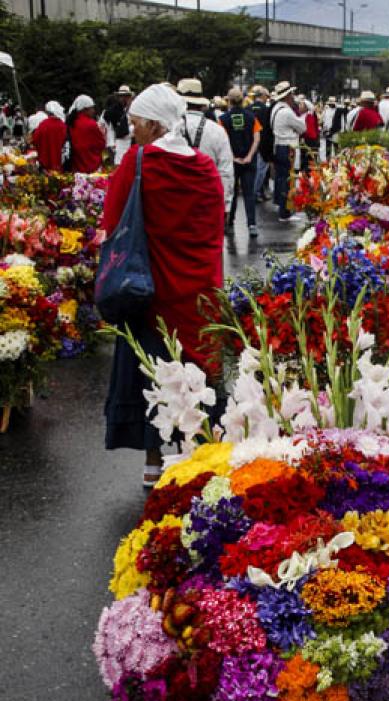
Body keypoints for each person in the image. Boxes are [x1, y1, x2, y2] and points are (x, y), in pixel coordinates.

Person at [102, 84, 225, 487]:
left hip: (149, 291)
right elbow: (214, 226)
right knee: (196, 373)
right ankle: (197, 453)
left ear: (154, 125)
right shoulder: (204, 168)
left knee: (149, 372)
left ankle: (153, 465)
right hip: (197, 292)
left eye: (136, 122)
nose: (132, 129)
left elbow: (112, 220)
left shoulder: (139, 163)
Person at [177, 78, 234, 215]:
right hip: (207, 200)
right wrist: (225, 205)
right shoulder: (217, 130)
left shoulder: (170, 127)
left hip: (176, 200)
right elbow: (226, 171)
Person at [220, 86, 261, 237]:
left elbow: (223, 140)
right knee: (249, 193)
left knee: (232, 193)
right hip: (249, 161)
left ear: (228, 101)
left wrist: (232, 157)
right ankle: (251, 225)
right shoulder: (251, 117)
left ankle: (230, 223)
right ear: (243, 100)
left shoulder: (223, 120)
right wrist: (250, 155)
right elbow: (257, 138)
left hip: (233, 162)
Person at [270, 81, 306, 222]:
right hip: (287, 147)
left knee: (281, 178)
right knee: (288, 179)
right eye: (291, 94)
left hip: (279, 146)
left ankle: (282, 207)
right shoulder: (286, 112)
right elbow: (302, 127)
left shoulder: (276, 108)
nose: (293, 97)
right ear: (287, 96)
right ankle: (285, 211)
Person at [67, 95, 106, 173]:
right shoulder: (91, 124)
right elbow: (101, 144)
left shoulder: (71, 122)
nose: (93, 111)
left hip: (76, 164)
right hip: (91, 163)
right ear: (85, 109)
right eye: (92, 108)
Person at [249, 85, 273, 201]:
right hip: (262, 144)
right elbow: (268, 130)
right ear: (263, 96)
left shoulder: (248, 108)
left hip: (249, 144)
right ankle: (256, 192)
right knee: (261, 170)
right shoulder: (266, 109)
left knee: (252, 170)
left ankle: (254, 191)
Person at [102, 85, 134, 165]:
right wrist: (111, 144)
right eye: (122, 96)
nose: (124, 98)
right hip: (118, 144)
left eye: (126, 96)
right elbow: (109, 129)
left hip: (131, 144)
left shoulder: (132, 109)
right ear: (118, 97)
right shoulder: (112, 111)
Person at [32, 101, 66, 172]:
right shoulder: (63, 125)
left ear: (47, 112)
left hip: (45, 164)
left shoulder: (43, 124)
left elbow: (35, 140)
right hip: (60, 163)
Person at [297, 95, 320, 171]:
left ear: (306, 107)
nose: (299, 106)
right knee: (304, 158)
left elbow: (308, 130)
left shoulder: (309, 116)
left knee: (309, 160)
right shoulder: (303, 115)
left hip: (309, 140)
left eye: (301, 105)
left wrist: (302, 136)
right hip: (306, 139)